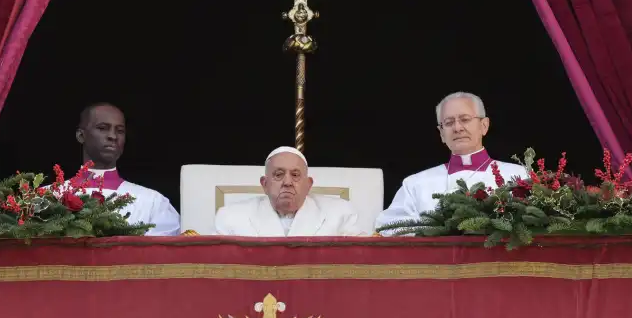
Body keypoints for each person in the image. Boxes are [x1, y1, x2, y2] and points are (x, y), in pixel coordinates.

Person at [375, 92, 528, 233]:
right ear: (441, 133)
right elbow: (387, 226)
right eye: (448, 123)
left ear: (484, 125)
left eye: (465, 119)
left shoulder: (518, 175)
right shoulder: (416, 183)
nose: (457, 128)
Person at [71, 102, 180, 236]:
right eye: (102, 128)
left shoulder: (152, 203)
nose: (113, 136)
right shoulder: (49, 198)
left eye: (120, 131)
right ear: (81, 136)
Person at [214, 146, 368, 237]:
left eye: (295, 175)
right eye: (278, 175)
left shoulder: (340, 214)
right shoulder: (231, 217)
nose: (287, 182)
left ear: (308, 185)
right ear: (264, 184)